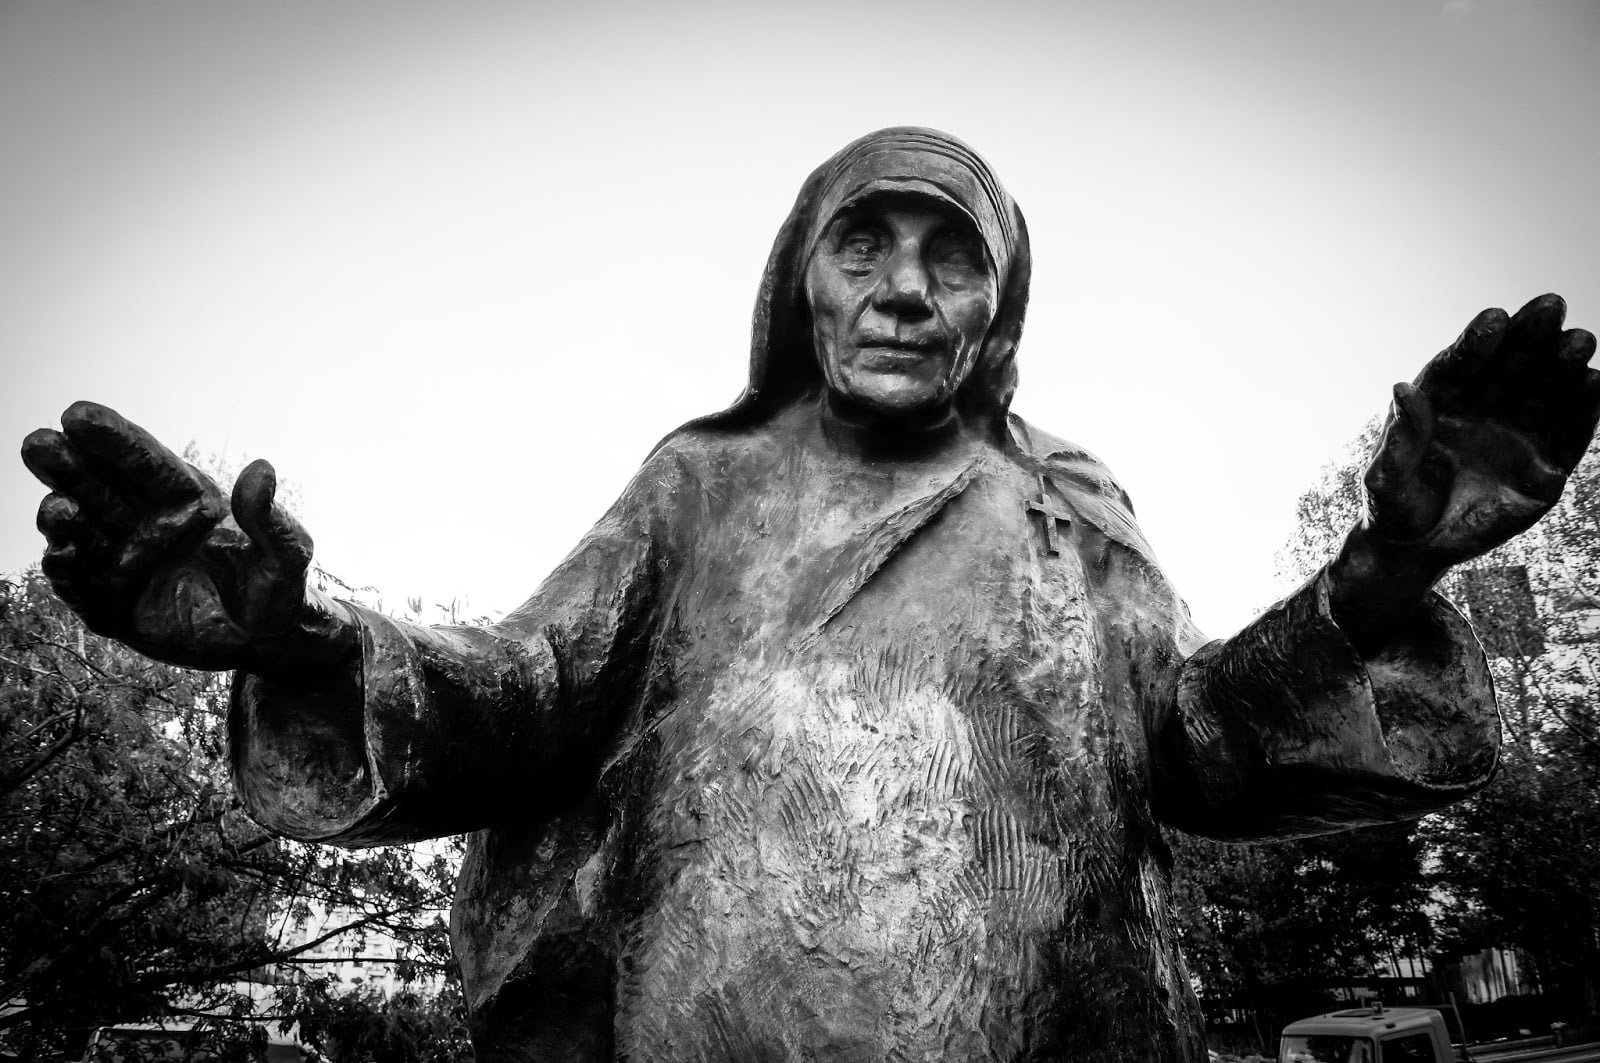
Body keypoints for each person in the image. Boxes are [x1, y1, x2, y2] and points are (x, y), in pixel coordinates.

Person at [22, 127, 1600, 1062]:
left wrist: (1389, 564)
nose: (905, 287)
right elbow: (522, 693)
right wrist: (304, 638)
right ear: (803, 280)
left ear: (999, 306)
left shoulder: (1065, 501)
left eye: (950, 257)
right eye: (866, 244)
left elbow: (1195, 746)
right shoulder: (700, 486)